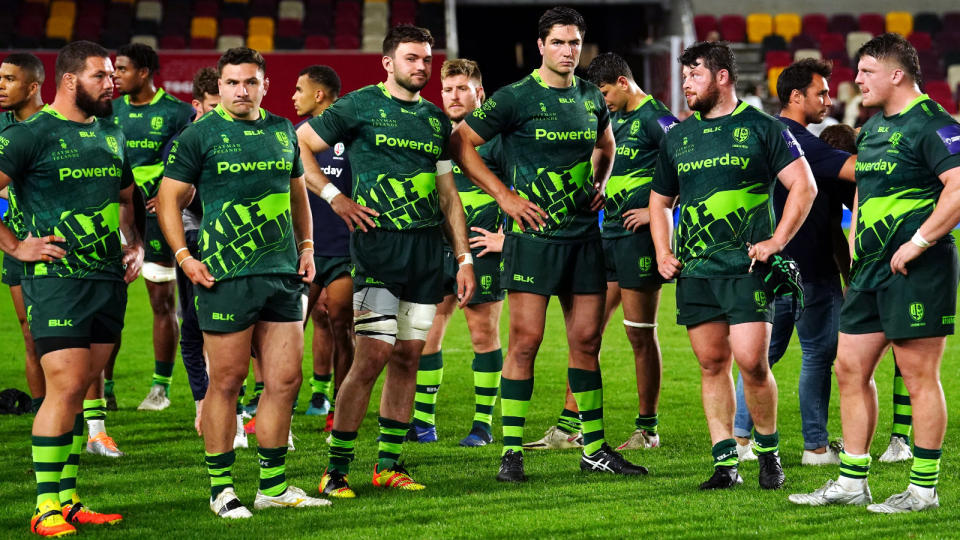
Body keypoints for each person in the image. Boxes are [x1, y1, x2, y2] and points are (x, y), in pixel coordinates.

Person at [450, 6, 648, 481]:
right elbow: (460, 143)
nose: (567, 51)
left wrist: (601, 181)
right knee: (526, 342)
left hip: (583, 239)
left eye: (575, 43)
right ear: (541, 46)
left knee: (586, 341)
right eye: (558, 42)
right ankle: (512, 452)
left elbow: (606, 145)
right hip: (533, 241)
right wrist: (506, 197)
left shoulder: (589, 96)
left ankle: (594, 449)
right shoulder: (515, 97)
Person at [297, 24, 474, 498]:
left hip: (425, 254)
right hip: (378, 249)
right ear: (388, 63)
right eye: (411, 57)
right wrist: (335, 196)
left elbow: (448, 196)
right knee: (371, 355)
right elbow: (301, 144)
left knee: (408, 357)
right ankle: (335, 470)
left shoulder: (436, 120)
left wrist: (462, 257)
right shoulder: (358, 105)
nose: (421, 66)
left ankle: (388, 465)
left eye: (426, 58)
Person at [790, 33, 960, 514]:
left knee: (918, 375)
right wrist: (854, 235)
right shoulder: (873, 128)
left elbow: (958, 187)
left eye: (865, 71)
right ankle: (851, 482)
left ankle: (922, 491)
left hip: (918, 269)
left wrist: (919, 242)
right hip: (868, 270)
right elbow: (865, 186)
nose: (855, 80)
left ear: (896, 74)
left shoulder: (934, 124)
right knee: (849, 368)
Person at [158, 47, 328, 518]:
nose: (240, 90)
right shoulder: (200, 135)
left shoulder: (281, 131)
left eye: (250, 81)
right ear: (220, 85)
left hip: (282, 274)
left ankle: (272, 487)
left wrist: (308, 246)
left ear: (264, 85)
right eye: (232, 82)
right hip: (224, 275)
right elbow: (168, 199)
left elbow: (297, 193)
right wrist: (184, 256)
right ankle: (221, 490)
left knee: (284, 380)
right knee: (227, 382)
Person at [649, 41, 817, 490]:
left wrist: (777, 241)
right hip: (696, 273)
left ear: (722, 76)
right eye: (684, 75)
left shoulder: (762, 127)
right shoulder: (678, 137)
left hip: (746, 270)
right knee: (710, 364)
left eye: (695, 74)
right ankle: (725, 463)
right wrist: (663, 251)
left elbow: (804, 186)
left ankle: (767, 454)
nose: (686, 83)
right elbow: (659, 202)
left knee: (752, 363)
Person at [0, 40, 144, 536]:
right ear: (68, 80)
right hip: (56, 279)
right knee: (63, 387)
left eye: (112, 75)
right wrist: (16, 246)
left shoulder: (110, 131)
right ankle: (45, 509)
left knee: (81, 387)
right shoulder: (30, 134)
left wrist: (136, 244)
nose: (113, 83)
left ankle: (70, 500)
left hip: (107, 276)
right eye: (101, 76)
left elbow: (128, 195)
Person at [732, 58, 856, 466]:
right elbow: (859, 170)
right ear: (795, 96)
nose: (828, 99)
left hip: (765, 269)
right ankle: (816, 448)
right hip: (808, 274)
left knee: (758, 359)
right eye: (821, 92)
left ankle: (740, 441)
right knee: (818, 357)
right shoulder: (803, 143)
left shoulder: (758, 135)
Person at [408, 57, 506, 447]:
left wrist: (507, 238)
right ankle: (423, 423)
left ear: (479, 93)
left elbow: (525, 185)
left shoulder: (498, 137)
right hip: (436, 247)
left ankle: (482, 425)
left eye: (462, 88)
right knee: (428, 334)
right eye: (447, 89)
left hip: (482, 246)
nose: (453, 95)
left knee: (483, 334)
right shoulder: (432, 132)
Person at [583, 52, 679, 451]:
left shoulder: (657, 118)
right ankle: (576, 424)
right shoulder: (615, 119)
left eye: (604, 92)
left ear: (623, 83)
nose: (602, 100)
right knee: (586, 334)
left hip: (639, 241)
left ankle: (648, 429)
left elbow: (691, 165)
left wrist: (661, 209)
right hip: (609, 235)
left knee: (638, 335)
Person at [109, 43, 194, 412]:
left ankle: (159, 390)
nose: (115, 76)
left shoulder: (178, 113)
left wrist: (165, 194)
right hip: (114, 216)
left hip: (159, 220)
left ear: (144, 72)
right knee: (106, 307)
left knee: (162, 303)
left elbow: (187, 165)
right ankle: (104, 389)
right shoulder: (108, 112)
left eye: (122, 69)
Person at [291, 65, 353, 429]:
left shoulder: (353, 132)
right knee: (287, 331)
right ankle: (279, 405)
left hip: (345, 250)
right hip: (307, 250)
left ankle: (339, 410)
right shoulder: (297, 136)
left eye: (299, 89)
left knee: (343, 327)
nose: (293, 96)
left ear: (319, 95)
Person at [0, 53, 46, 413]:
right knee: (29, 331)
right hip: (17, 245)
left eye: (10, 79)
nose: (1, 85)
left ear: (33, 86)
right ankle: (42, 407)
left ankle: (91, 420)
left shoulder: (56, 125)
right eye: (1, 77)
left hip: (59, 244)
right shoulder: (2, 128)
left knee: (76, 334)